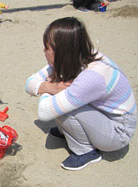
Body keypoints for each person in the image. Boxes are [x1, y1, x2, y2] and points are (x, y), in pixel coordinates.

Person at [25, 17, 137, 171]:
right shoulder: (80, 55)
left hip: (118, 132)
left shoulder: (93, 75)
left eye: (46, 47)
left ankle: (85, 152)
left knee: (60, 106)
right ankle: (72, 131)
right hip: (106, 116)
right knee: (62, 98)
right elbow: (29, 83)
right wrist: (52, 86)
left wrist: (50, 86)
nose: (43, 51)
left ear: (61, 50)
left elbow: (44, 112)